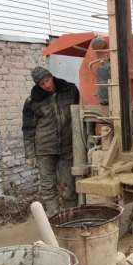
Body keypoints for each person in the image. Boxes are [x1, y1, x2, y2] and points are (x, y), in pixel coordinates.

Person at [22, 66, 80, 217]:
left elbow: (79, 114)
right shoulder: (32, 101)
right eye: (42, 84)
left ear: (51, 76)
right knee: (48, 187)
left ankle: (71, 217)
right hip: (44, 150)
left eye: (47, 80)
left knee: (69, 186)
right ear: (37, 85)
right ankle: (54, 218)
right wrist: (30, 154)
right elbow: (28, 129)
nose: (47, 85)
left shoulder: (70, 90)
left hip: (67, 147)